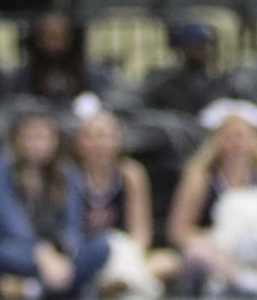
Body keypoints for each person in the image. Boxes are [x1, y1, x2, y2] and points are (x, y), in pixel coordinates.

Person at [0, 111, 110, 300]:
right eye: (31, 137)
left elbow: (72, 225)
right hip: (17, 251)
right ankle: (54, 288)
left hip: (59, 256)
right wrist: (40, 254)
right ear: (17, 139)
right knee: (2, 253)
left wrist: (65, 255)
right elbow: (10, 224)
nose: (38, 144)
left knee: (101, 245)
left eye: (44, 137)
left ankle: (34, 290)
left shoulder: (68, 174)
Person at [165, 102, 257, 291]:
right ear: (217, 141)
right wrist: (216, 241)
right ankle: (244, 283)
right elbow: (179, 231)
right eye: (230, 137)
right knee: (195, 252)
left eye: (242, 136)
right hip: (216, 251)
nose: (237, 144)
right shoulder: (200, 178)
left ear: (255, 141)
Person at [73, 109, 180, 297]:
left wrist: (128, 258)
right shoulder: (70, 176)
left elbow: (141, 233)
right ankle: (117, 283)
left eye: (105, 137)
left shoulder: (131, 174)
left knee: (169, 262)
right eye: (91, 137)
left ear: (118, 141)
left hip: (124, 253)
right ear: (79, 142)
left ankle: (115, 283)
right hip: (85, 253)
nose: (99, 144)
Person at [8, 12, 108, 106]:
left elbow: (104, 99)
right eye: (48, 36)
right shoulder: (24, 75)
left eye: (59, 36)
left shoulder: (88, 73)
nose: (54, 43)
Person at [142, 22, 230, 116]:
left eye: (209, 45)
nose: (206, 51)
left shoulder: (219, 82)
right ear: (184, 49)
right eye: (198, 46)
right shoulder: (164, 83)